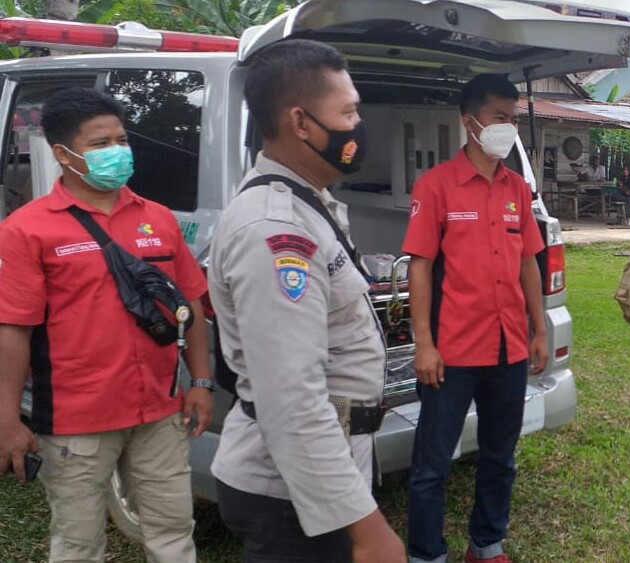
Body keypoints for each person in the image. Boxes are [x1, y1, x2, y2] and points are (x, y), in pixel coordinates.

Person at [207, 40, 404, 563]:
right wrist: (367, 529)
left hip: (315, 476)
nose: (359, 125)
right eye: (349, 111)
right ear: (300, 122)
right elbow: (291, 398)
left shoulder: (306, 201)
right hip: (287, 492)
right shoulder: (276, 229)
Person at [0, 88, 212, 562]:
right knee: (78, 543)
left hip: (160, 410)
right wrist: (7, 418)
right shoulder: (27, 230)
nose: (117, 151)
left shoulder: (157, 218)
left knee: (174, 529)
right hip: (78, 419)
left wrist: (199, 380)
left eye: (121, 139)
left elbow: (191, 302)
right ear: (63, 154)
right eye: (100, 144)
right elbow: (14, 329)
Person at [403, 73, 548, 563]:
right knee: (432, 465)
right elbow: (419, 269)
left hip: (509, 348)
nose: (508, 127)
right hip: (453, 352)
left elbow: (529, 261)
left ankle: (486, 545)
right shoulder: (436, 186)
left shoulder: (517, 190)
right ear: (471, 122)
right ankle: (427, 553)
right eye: (500, 118)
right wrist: (424, 343)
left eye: (513, 118)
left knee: (499, 459)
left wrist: (540, 329)